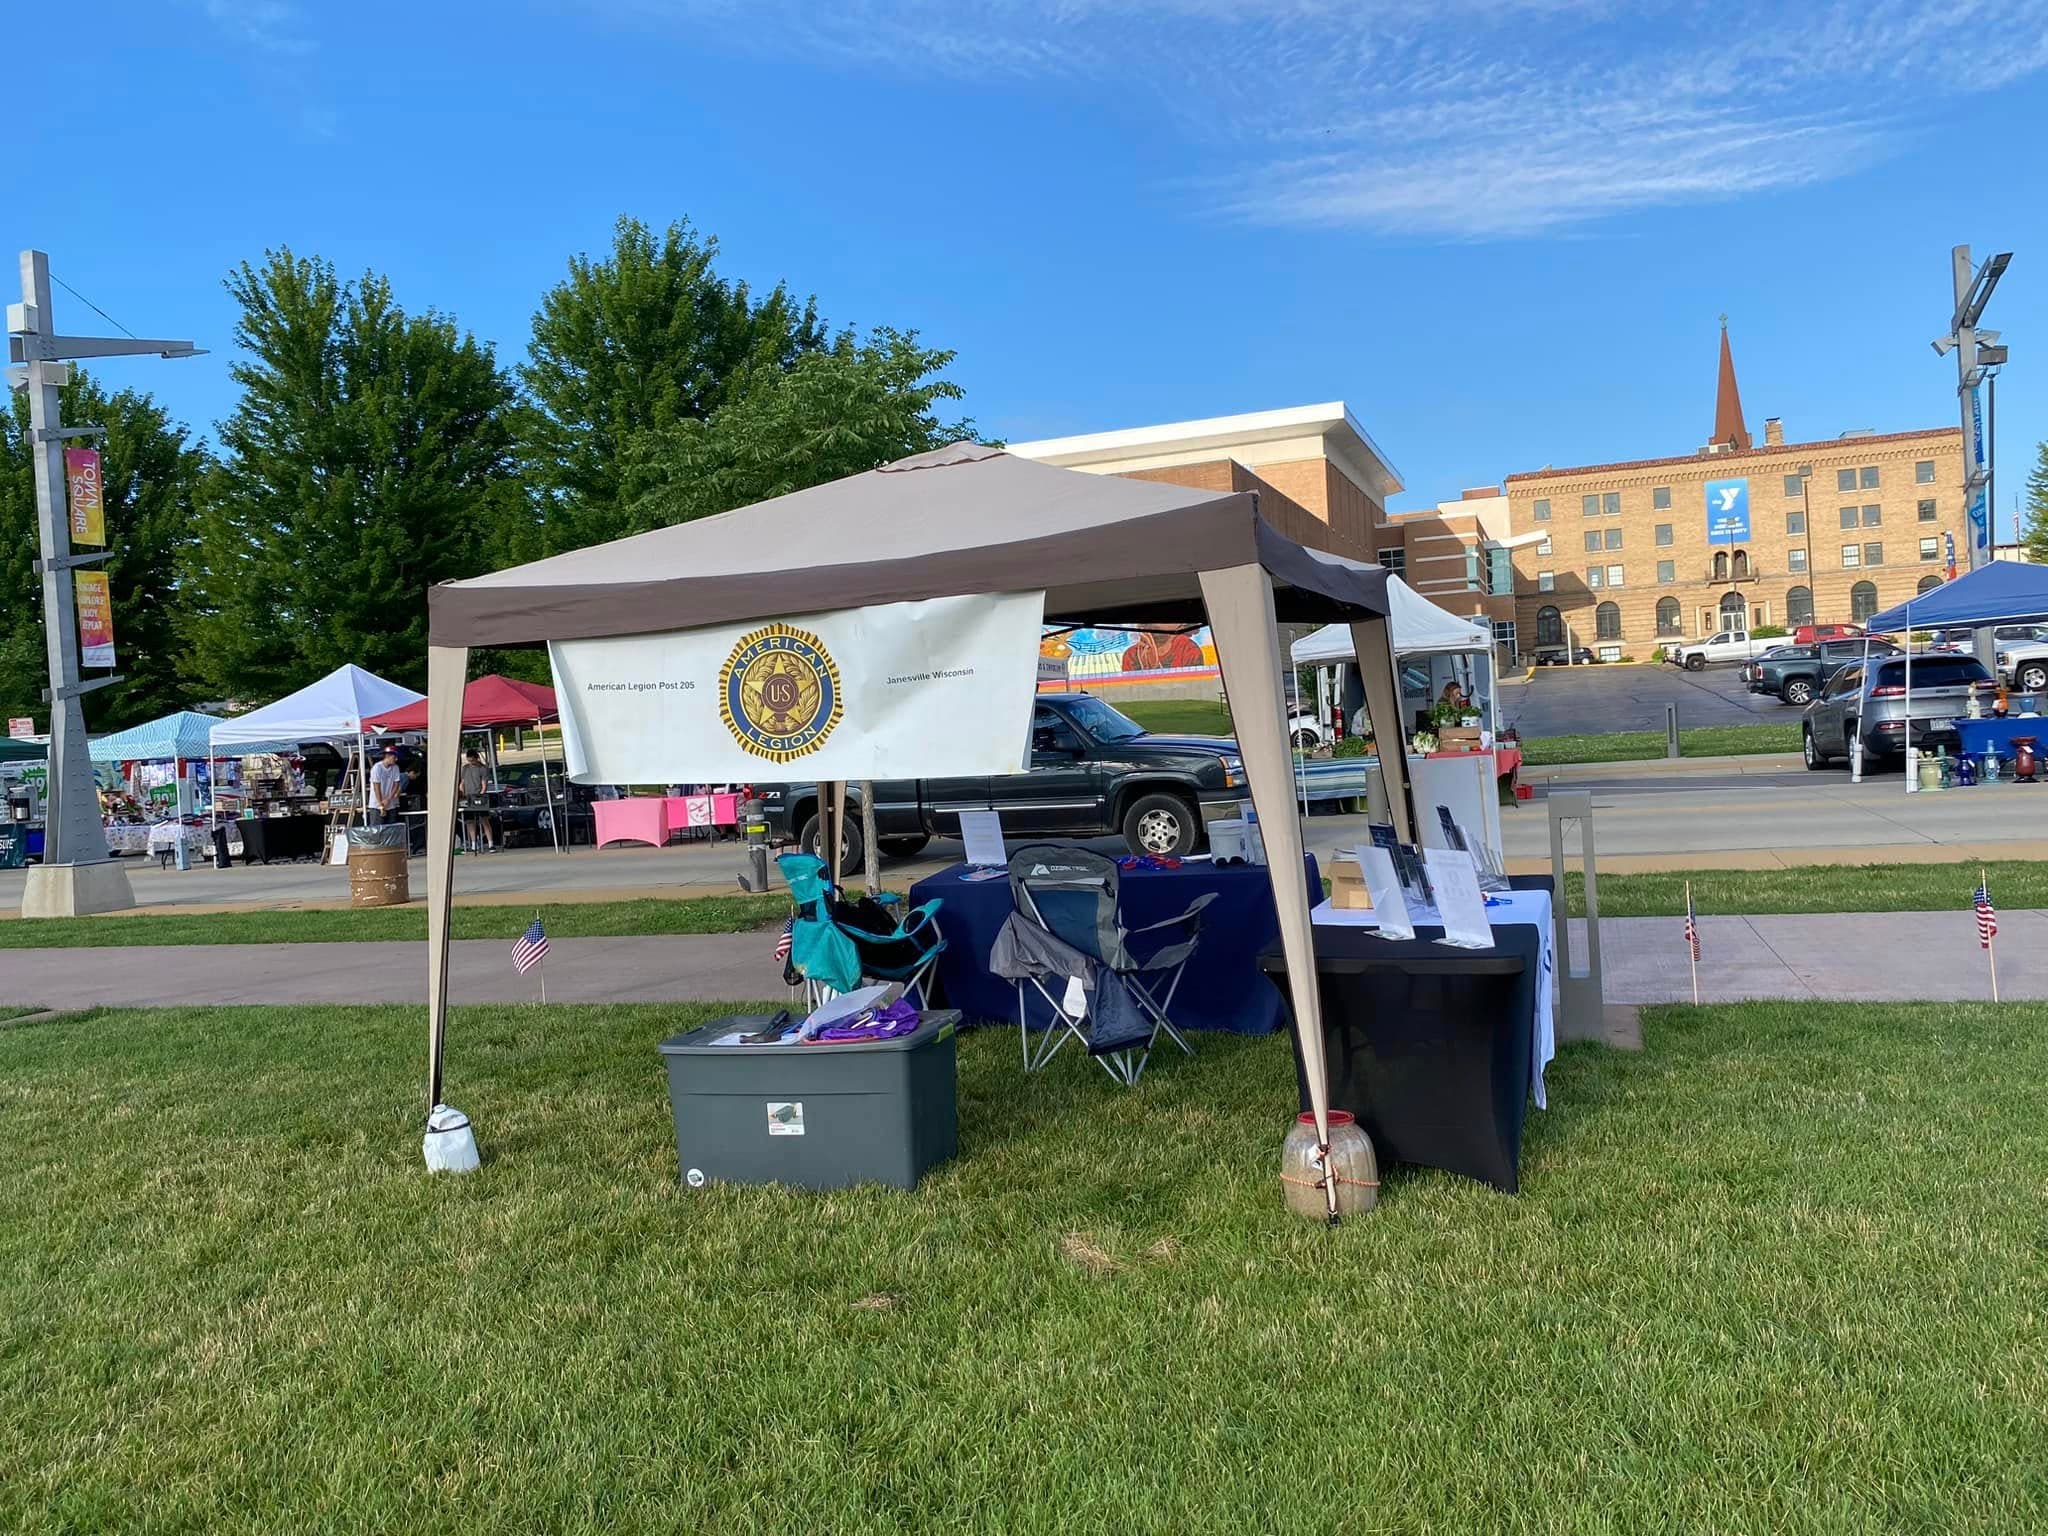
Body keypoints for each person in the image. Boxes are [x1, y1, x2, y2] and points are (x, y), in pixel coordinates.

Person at [459, 749, 496, 852]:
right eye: (469, 761)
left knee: (484, 820)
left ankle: (490, 844)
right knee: (470, 821)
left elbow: (484, 784)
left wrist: (482, 793)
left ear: (477, 758)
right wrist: (462, 790)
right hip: (468, 796)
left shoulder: (482, 768)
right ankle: (474, 844)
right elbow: (462, 782)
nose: (471, 763)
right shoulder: (465, 768)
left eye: (473, 761)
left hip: (478, 796)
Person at [368, 745, 404, 827]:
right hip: (376, 804)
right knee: (377, 828)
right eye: (395, 757)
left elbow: (396, 783)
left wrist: (388, 799)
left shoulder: (395, 768)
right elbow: (376, 787)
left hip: (391, 803)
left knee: (392, 828)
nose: (396, 759)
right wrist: (380, 804)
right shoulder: (377, 768)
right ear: (388, 756)